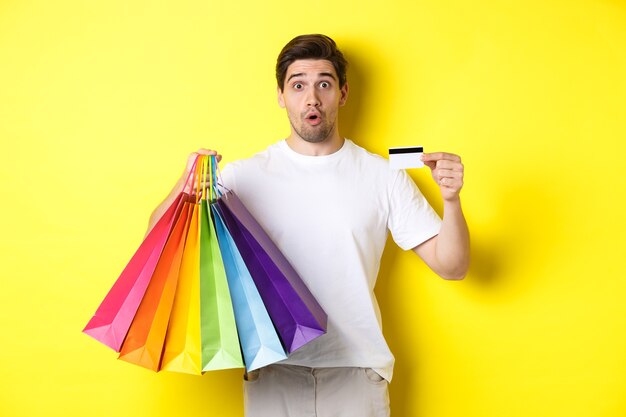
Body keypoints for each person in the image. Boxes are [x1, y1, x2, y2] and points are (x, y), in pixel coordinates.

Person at [148, 34, 469, 417]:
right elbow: (158, 240)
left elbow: (452, 266)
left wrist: (451, 200)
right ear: (281, 96)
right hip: (273, 368)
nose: (311, 98)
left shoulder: (382, 177)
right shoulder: (242, 177)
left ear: (343, 93)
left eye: (324, 84)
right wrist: (183, 186)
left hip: (356, 369)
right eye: (298, 85)